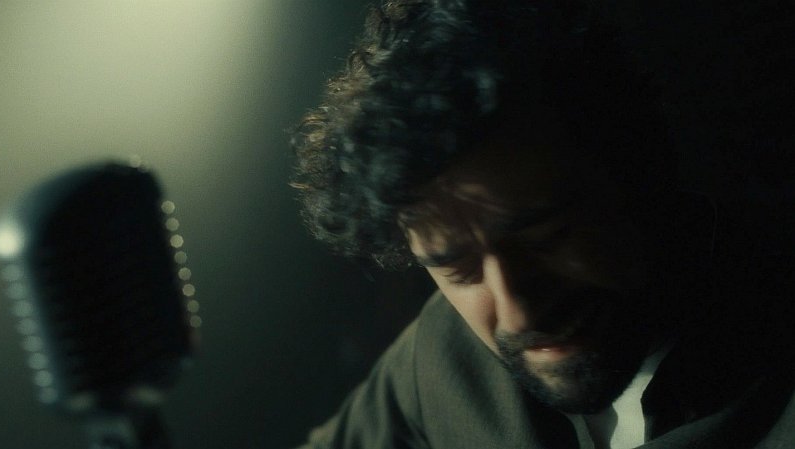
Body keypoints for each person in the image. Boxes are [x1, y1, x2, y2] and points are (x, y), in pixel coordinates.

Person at [290, 0, 795, 447]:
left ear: (638, 171)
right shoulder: (443, 359)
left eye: (545, 236)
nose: (517, 313)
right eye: (459, 269)